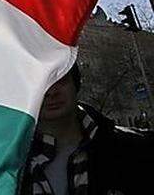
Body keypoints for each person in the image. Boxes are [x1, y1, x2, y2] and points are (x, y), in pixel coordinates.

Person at [19, 63, 154, 194]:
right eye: (39, 84)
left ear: (75, 81)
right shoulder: (8, 164)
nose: (51, 92)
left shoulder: (138, 148)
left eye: (59, 78)